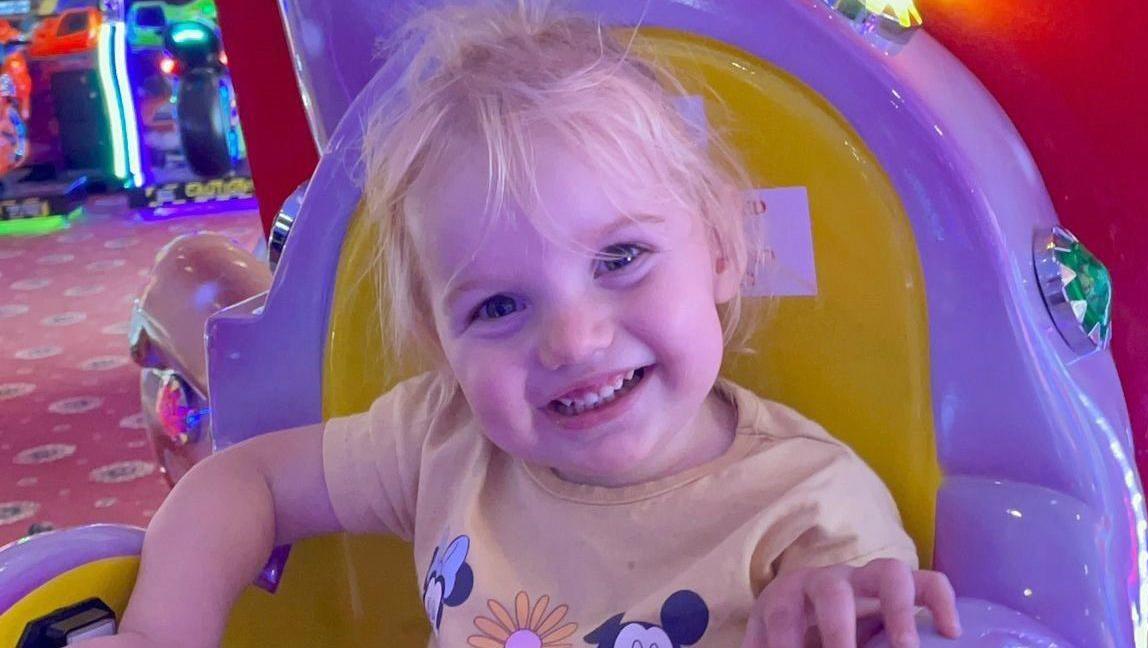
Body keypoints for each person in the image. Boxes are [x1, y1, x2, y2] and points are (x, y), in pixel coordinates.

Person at [91, 1, 962, 646]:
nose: (573, 341)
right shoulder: (442, 436)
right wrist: (163, 630)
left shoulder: (810, 511)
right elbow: (245, 483)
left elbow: (868, 607)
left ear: (725, 254)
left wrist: (829, 609)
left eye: (620, 259)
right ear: (442, 344)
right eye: (498, 307)